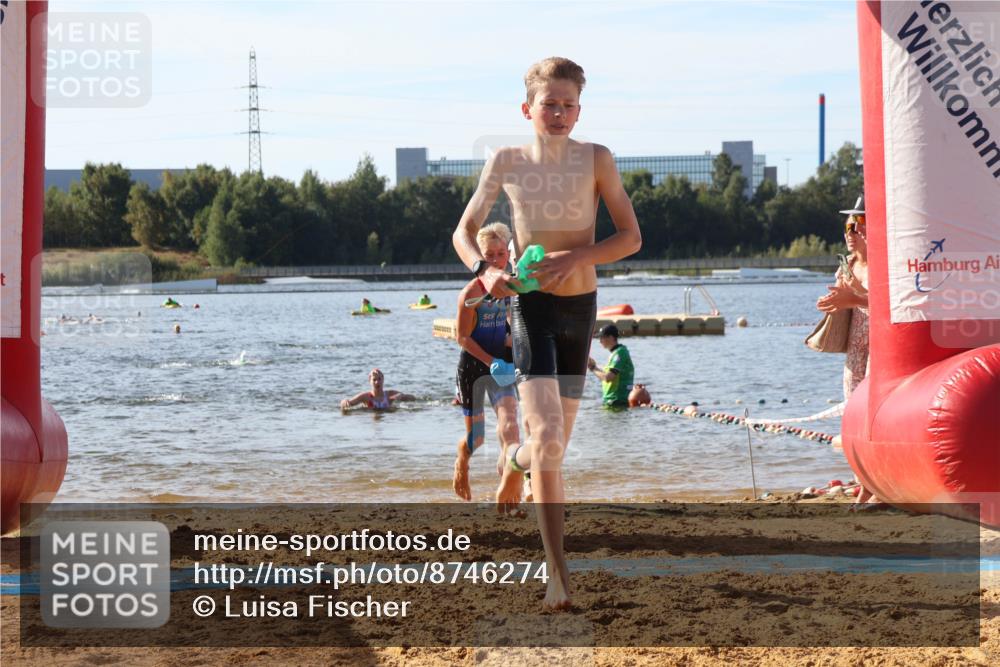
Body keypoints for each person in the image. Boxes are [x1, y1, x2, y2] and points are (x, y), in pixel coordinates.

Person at [452, 57, 642, 610]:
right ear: (527, 108)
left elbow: (630, 236)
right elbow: (464, 231)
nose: (559, 113)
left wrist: (578, 255)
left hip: (580, 307)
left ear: (579, 109)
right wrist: (485, 272)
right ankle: (558, 577)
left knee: (549, 449)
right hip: (530, 308)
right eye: (549, 104)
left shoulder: (597, 159)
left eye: (568, 104)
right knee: (552, 442)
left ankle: (512, 463)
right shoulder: (507, 160)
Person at [452, 223, 521, 502]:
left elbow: (511, 324)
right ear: (479, 259)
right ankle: (462, 461)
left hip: (501, 364)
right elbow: (462, 338)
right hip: (474, 366)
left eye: (500, 253)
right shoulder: (471, 293)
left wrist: (512, 342)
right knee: (477, 438)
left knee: (510, 425)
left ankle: (508, 480)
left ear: (508, 255)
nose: (495, 260)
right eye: (488, 255)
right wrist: (492, 360)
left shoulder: (511, 287)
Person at [817, 196, 874, 504]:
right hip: (856, 346)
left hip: (881, 345)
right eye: (846, 226)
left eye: (857, 225)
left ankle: (875, 482)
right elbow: (843, 299)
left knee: (874, 414)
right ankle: (862, 480)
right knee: (853, 413)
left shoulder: (883, 262)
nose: (850, 233)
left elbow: (892, 302)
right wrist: (830, 304)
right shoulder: (848, 264)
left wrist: (851, 299)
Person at [586, 324, 634, 408]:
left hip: (617, 402)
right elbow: (608, 373)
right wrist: (594, 366)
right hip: (611, 402)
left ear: (611, 337)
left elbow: (608, 377)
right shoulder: (615, 353)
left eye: (602, 337)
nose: (600, 341)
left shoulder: (620, 353)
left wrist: (593, 368)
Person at [340, 368, 415, 410]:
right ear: (369, 381)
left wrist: (402, 396)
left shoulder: (389, 395)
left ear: (383, 379)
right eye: (374, 380)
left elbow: (413, 398)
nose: (377, 382)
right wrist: (344, 402)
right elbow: (348, 403)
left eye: (379, 379)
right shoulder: (365, 397)